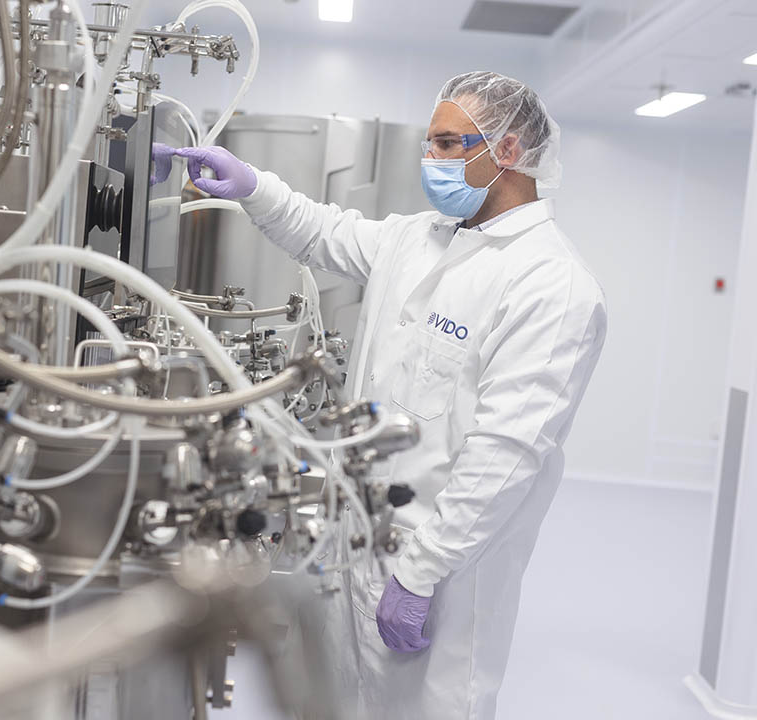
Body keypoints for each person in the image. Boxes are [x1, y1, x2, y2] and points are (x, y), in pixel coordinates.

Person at [175, 71, 607, 719]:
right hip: (355, 545)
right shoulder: (418, 238)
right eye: (429, 145)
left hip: (438, 577)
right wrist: (253, 186)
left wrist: (422, 573)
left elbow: (507, 456)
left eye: (448, 144)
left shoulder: (553, 285)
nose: (431, 160)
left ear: (510, 151)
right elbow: (322, 231)